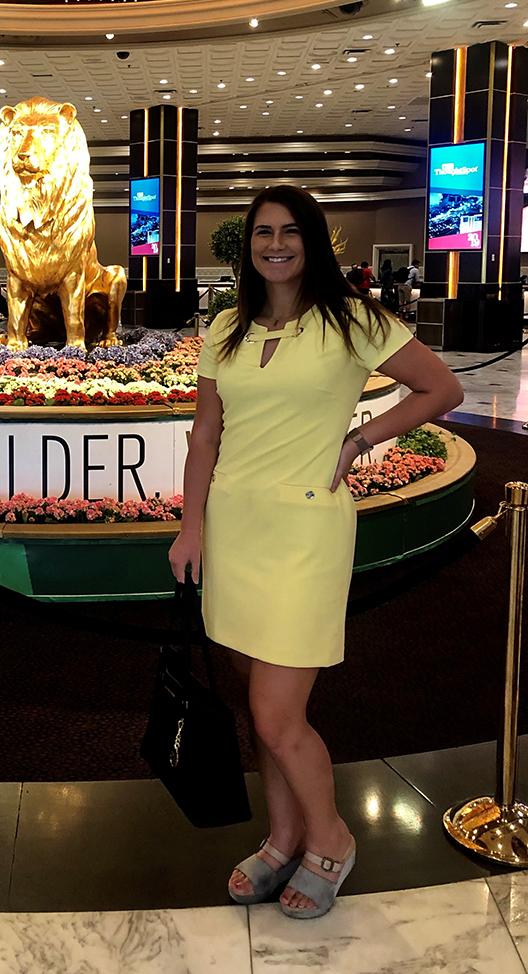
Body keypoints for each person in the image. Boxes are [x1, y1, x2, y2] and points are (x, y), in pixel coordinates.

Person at [168, 186, 463, 920]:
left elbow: (442, 387)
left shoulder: (353, 319)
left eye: (290, 232)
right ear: (248, 246)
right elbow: (205, 435)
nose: (276, 244)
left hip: (305, 531)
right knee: (262, 708)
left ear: (314, 240)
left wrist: (363, 438)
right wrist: (191, 525)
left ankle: (331, 838)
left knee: (275, 714)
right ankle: (282, 837)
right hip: (234, 528)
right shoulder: (227, 327)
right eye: (263, 233)